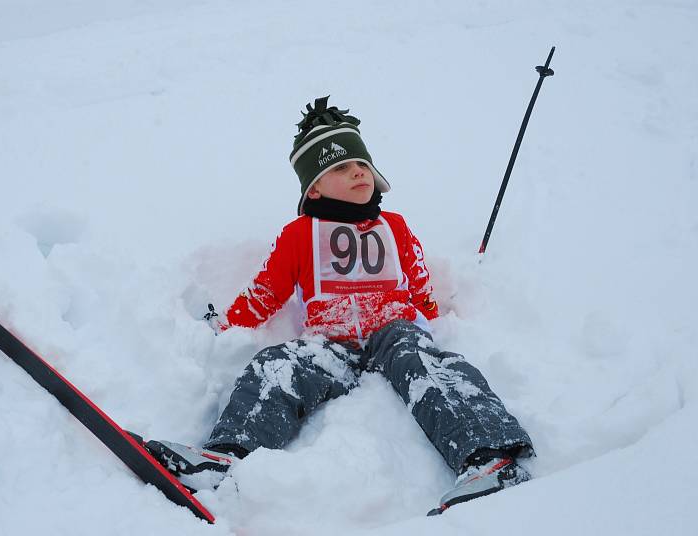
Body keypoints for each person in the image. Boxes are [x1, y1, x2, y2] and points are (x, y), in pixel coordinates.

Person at [144, 97, 534, 515]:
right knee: (277, 365)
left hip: (392, 330)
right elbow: (267, 291)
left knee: (426, 363)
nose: (357, 173)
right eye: (340, 168)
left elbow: (417, 276)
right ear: (314, 187)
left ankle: (490, 456)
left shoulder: (394, 225)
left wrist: (435, 316)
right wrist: (229, 326)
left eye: (361, 165)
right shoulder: (300, 234)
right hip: (331, 343)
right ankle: (227, 456)